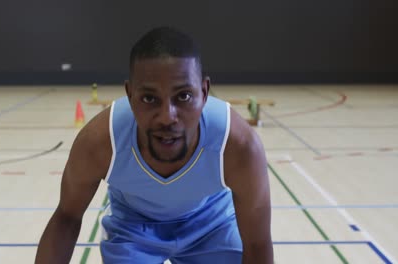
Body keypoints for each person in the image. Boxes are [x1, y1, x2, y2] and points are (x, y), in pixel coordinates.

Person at [35, 26, 273, 264]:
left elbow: (257, 242)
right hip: (133, 228)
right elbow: (67, 216)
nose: (167, 117)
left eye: (184, 96)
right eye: (149, 98)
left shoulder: (237, 146)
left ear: (204, 92)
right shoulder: (100, 142)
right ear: (130, 95)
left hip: (211, 225)